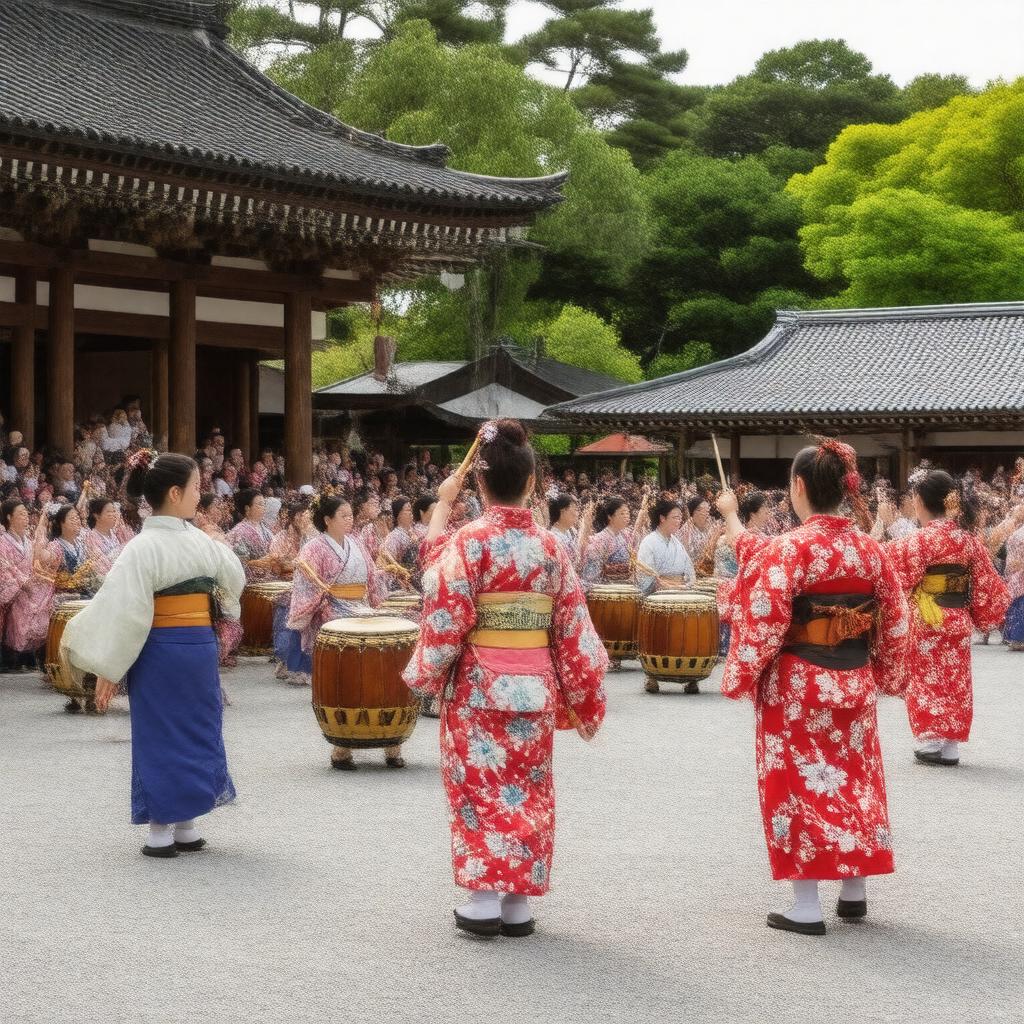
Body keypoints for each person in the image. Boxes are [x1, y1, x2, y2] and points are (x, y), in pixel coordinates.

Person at [402, 419, 608, 939]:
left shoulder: (469, 543)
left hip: (479, 689)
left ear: (479, 484)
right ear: (533, 483)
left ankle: (482, 900)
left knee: (481, 788)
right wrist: (582, 693)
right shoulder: (551, 548)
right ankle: (518, 903)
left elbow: (441, 601)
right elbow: (572, 629)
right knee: (527, 789)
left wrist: (425, 672)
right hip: (535, 687)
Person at [716, 438, 909, 936]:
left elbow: (762, 615)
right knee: (854, 776)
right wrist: (887, 671)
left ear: (798, 487)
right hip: (854, 679)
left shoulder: (790, 549)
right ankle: (854, 889)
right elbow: (896, 617)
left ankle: (806, 904)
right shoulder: (871, 549)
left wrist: (741, 672)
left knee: (797, 780)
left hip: (800, 682)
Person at [60, 451, 245, 858]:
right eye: (196, 488)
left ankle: (162, 830)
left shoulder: (141, 548)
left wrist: (111, 666)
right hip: (198, 647)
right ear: (175, 493)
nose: (201, 495)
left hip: (159, 649)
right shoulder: (201, 541)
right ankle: (185, 825)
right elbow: (234, 581)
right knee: (198, 728)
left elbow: (123, 610)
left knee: (160, 732)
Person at [886, 470, 1010, 766]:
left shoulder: (918, 540)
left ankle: (930, 739)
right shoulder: (967, 540)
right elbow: (986, 582)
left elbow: (890, 572)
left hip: (928, 618)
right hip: (957, 618)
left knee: (927, 678)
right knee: (955, 679)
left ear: (919, 501)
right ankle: (951, 743)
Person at [285, 496, 391, 768]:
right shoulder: (314, 548)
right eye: (342, 515)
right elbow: (307, 585)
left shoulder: (355, 543)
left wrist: (385, 574)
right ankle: (341, 746)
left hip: (360, 606)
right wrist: (322, 600)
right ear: (327, 519)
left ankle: (390, 738)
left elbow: (371, 576)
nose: (349, 519)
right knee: (344, 679)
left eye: (350, 514)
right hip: (331, 610)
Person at [547, 493, 581, 562]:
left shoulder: (571, 530)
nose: (577, 513)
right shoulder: (555, 538)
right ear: (563, 511)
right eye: (575, 509)